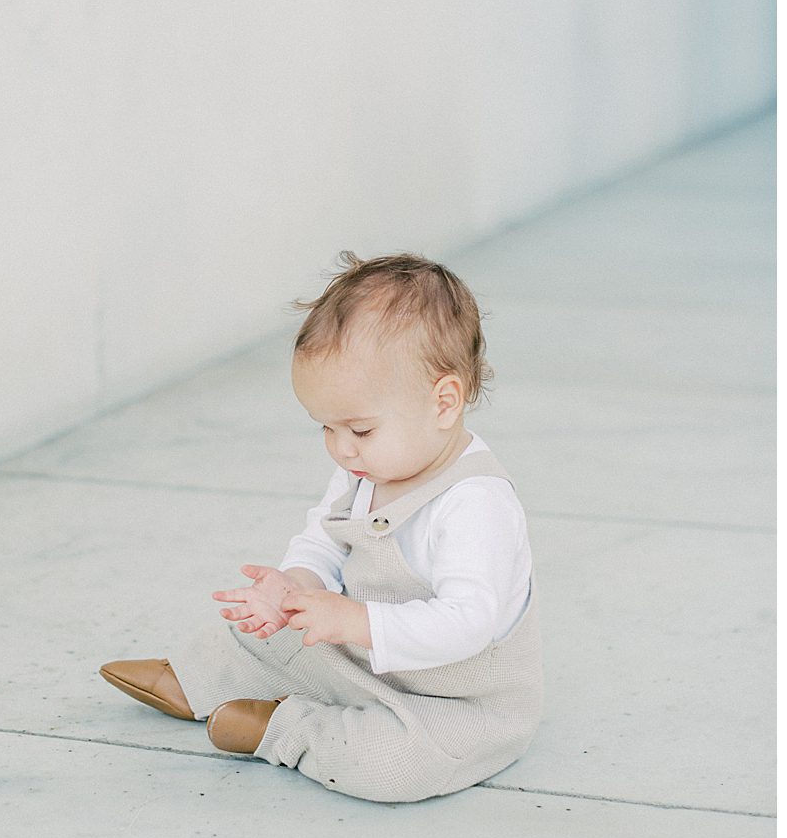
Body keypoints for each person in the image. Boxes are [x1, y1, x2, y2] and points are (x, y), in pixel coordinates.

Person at [100, 252, 542, 803]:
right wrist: (298, 585)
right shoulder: (365, 468)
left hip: (456, 701)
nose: (340, 447)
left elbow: (468, 623)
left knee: (395, 766)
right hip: (363, 661)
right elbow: (325, 538)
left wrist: (356, 620)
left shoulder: (475, 504)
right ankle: (201, 678)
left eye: (359, 428)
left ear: (444, 403)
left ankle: (289, 728)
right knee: (275, 636)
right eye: (326, 428)